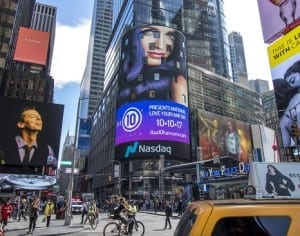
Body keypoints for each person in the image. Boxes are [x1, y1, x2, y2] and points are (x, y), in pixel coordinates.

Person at [118, 25, 188, 107]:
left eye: (170, 35)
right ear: (134, 38)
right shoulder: (126, 77)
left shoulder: (177, 81)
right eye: (149, 32)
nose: (160, 45)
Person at [0, 107, 57, 171]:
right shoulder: (3, 146)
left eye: (39, 118)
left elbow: (50, 170)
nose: (38, 119)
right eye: (32, 116)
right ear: (21, 124)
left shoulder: (48, 150)